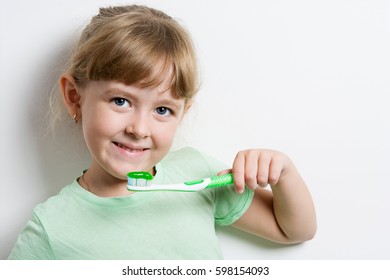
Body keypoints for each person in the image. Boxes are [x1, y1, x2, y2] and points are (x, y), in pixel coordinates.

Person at [8, 5, 316, 259]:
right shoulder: (49, 229)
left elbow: (295, 230)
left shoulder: (199, 174)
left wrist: (284, 174)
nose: (139, 129)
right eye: (120, 101)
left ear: (182, 115)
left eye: (162, 110)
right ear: (75, 97)